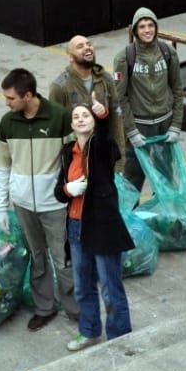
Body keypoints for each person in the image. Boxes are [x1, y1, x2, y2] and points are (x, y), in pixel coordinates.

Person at [0, 69, 77, 331]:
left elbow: (75, 158)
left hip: (55, 205)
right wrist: (1, 207)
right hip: (23, 205)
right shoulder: (8, 123)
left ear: (28, 95)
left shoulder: (59, 117)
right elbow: (2, 167)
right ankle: (45, 308)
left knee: (64, 259)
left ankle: (77, 309)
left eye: (11, 98)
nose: (7, 103)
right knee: (37, 258)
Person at [54, 103, 135, 352]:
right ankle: (89, 331)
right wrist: (69, 189)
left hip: (102, 227)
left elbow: (104, 137)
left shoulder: (102, 147)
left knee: (111, 288)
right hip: (77, 226)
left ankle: (119, 337)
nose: (80, 119)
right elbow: (59, 191)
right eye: (76, 116)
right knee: (83, 286)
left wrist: (102, 116)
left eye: (85, 115)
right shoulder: (69, 151)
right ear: (71, 125)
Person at [112, 7, 184, 192]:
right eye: (142, 26)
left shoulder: (168, 52)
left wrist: (176, 125)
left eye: (150, 25)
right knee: (133, 177)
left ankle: (163, 216)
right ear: (135, 30)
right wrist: (131, 131)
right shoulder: (124, 58)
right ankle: (131, 218)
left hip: (164, 124)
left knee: (164, 174)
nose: (147, 30)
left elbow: (176, 88)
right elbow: (120, 97)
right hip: (140, 125)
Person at [49, 35, 125, 165]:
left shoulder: (106, 79)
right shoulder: (59, 87)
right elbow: (54, 130)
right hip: (76, 161)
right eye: (80, 46)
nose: (87, 47)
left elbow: (116, 117)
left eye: (89, 44)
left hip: (104, 157)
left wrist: (119, 161)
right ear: (71, 57)